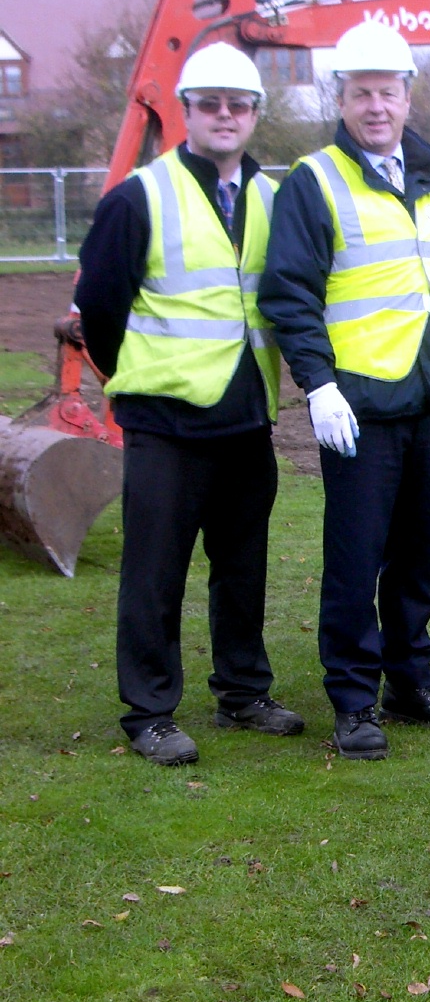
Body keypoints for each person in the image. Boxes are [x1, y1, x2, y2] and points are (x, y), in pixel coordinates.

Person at [74, 42, 304, 764]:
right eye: (210, 103)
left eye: (238, 104)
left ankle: (243, 691)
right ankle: (149, 712)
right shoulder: (139, 197)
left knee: (243, 565)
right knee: (155, 571)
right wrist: (143, 376)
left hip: (245, 417)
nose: (225, 115)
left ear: (257, 113)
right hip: (165, 421)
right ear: (186, 112)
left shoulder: (273, 199)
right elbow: (100, 309)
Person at [259, 21, 430, 760]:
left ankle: (408, 680)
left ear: (408, 96)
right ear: (342, 100)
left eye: (387, 92)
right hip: (360, 408)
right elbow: (289, 293)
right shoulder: (314, 181)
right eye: (361, 94)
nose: (376, 106)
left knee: (422, 552)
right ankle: (353, 699)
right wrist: (318, 387)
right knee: (357, 557)